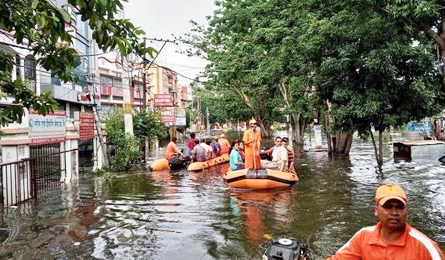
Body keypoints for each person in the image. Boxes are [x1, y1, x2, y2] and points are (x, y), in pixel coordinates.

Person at [326, 184, 445, 260]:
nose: (394, 212)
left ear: (406, 211)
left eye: (399, 207)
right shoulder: (363, 236)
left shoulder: (425, 246)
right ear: (376, 211)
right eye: (388, 207)